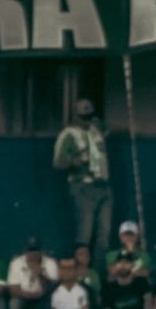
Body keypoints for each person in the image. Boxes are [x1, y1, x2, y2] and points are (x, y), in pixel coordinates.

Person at [54, 100, 113, 263]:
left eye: (90, 116)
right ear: (75, 116)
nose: (87, 120)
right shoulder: (68, 134)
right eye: (83, 117)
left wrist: (97, 123)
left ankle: (98, 277)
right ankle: (82, 274)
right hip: (83, 186)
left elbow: (108, 132)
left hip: (103, 184)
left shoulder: (96, 130)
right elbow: (58, 162)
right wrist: (75, 162)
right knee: (84, 235)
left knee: (104, 236)